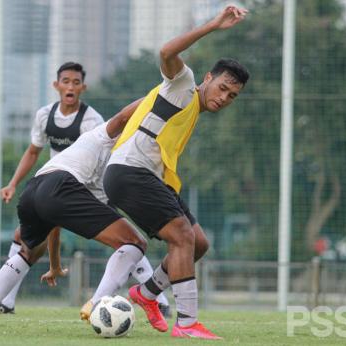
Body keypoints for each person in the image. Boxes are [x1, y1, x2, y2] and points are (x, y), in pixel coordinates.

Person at [103, 5, 250, 340]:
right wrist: (214, 24)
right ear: (208, 78)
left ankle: (146, 293)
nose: (224, 97)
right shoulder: (184, 84)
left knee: (197, 243)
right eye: (222, 87)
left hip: (148, 176)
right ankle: (186, 324)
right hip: (129, 172)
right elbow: (167, 51)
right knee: (181, 236)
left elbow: (131, 114)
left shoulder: (192, 107)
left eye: (232, 95)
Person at [0, 99, 165, 332]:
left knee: (28, 252)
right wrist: (158, 94)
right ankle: (97, 302)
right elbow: (123, 117)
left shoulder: (104, 173)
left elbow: (55, 218)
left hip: (33, 190)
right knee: (135, 242)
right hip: (58, 185)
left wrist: (55, 265)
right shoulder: (102, 135)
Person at [0, 62, 171, 316]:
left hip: (90, 184)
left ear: (82, 88)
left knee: (125, 239)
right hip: (55, 184)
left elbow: (103, 151)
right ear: (56, 85)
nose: (70, 86)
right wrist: (12, 184)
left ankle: (159, 299)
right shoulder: (44, 115)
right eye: (65, 81)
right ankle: (7, 302)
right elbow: (33, 152)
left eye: (75, 82)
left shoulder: (92, 120)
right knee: (21, 236)